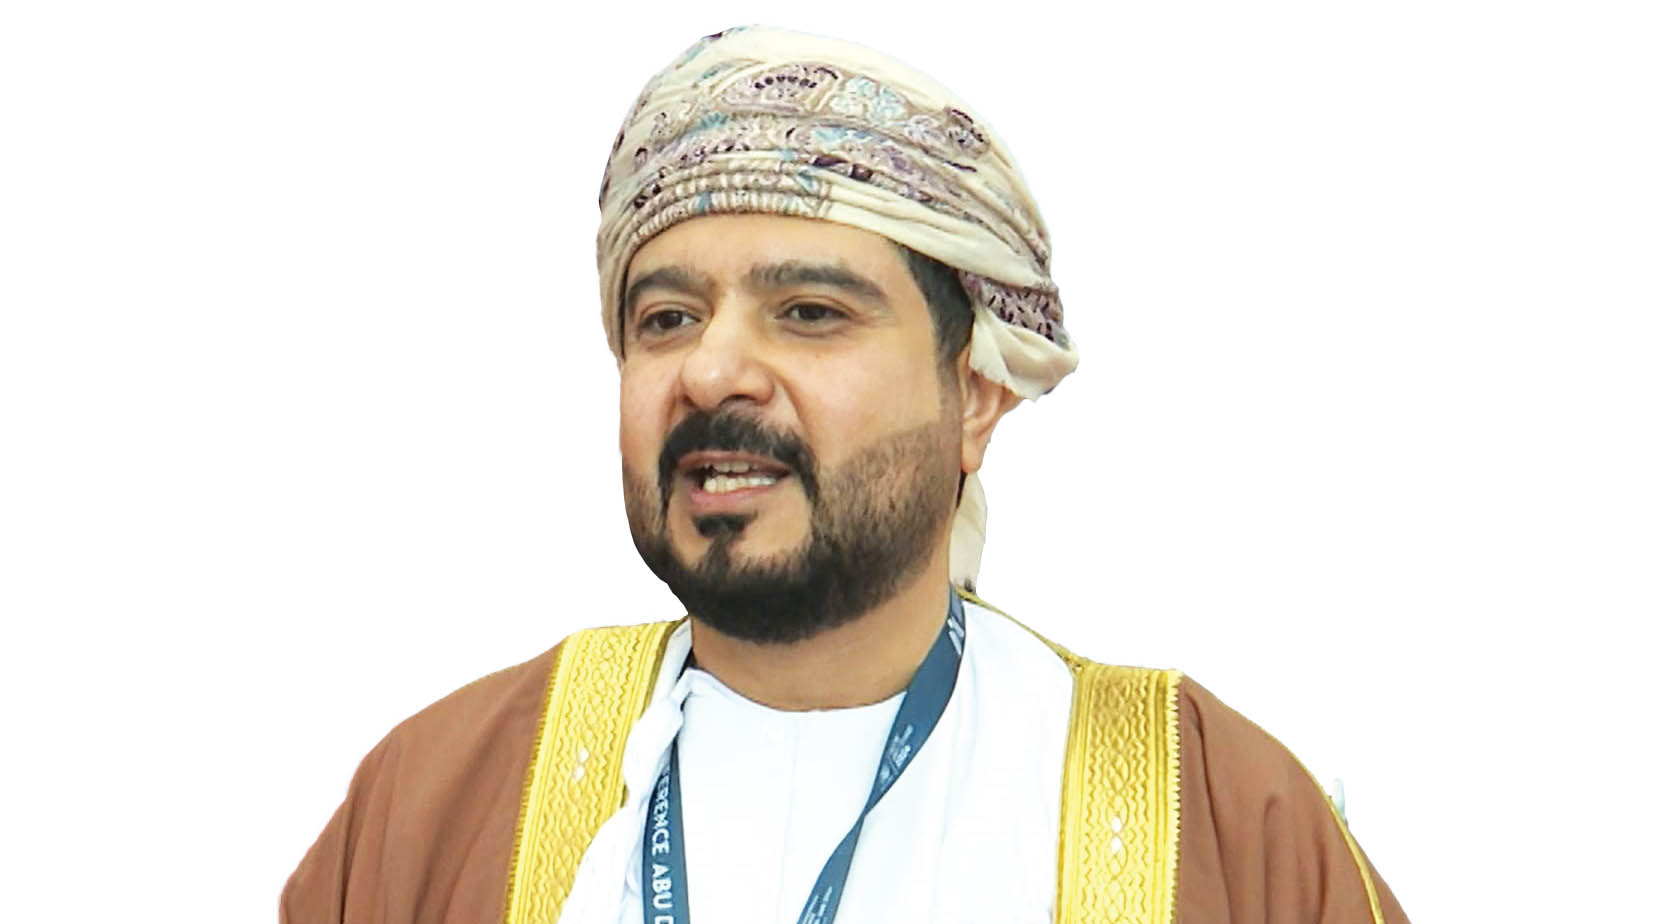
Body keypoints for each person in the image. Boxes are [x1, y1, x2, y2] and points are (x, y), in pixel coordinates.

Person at [282, 25, 1409, 924]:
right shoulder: (438, 802)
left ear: (975, 394)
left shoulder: (1221, 822)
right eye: (667, 318)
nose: (712, 371)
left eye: (809, 313)